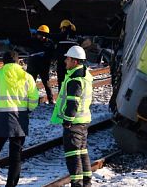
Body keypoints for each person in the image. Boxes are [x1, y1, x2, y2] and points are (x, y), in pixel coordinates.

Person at [0, 50, 39, 187]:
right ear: (18, 61)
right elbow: (34, 99)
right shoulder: (27, 77)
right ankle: (11, 185)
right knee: (15, 157)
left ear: (3, 62)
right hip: (19, 120)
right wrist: (27, 109)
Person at [52, 46, 94, 187]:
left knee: (73, 156)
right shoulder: (85, 75)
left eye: (68, 59)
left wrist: (67, 121)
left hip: (74, 123)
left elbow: (73, 103)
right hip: (83, 121)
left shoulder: (75, 79)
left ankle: (77, 183)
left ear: (75, 61)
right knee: (82, 153)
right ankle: (87, 182)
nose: (65, 61)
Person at [27, 24, 56, 104]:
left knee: (46, 83)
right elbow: (23, 42)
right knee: (30, 83)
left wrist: (49, 58)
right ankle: (29, 100)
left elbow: (53, 54)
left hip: (44, 66)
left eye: (43, 35)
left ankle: (51, 100)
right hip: (33, 65)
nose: (41, 36)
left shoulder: (49, 43)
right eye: (40, 34)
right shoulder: (33, 40)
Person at [56, 20, 79, 89]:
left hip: (62, 64)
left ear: (64, 28)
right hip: (72, 64)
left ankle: (62, 97)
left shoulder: (61, 37)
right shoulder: (75, 38)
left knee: (61, 82)